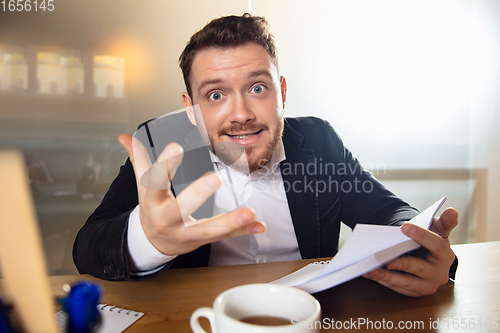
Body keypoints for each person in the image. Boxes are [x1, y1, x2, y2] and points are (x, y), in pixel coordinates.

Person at [73, 13, 458, 297]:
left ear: (282, 93)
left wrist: (424, 247)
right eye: (216, 95)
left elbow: (388, 212)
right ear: (190, 110)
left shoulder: (317, 139)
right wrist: (148, 238)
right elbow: (88, 247)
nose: (241, 114)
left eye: (258, 88)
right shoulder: (165, 145)